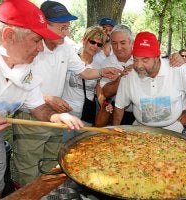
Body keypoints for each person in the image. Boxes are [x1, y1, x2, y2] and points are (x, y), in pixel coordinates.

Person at [12, 1, 121, 186]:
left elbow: (85, 72)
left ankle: (45, 192)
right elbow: (19, 84)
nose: (67, 32)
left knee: (50, 163)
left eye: (68, 27)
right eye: (62, 27)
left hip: (55, 117)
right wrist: (47, 98)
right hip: (31, 117)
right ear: (44, 24)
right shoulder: (29, 47)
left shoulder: (65, 49)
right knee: (28, 166)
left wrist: (103, 72)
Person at [0, 0, 84, 199]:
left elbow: (38, 108)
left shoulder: (26, 70)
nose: (41, 49)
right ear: (9, 35)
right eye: (36, 40)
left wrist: (57, 117)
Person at [113, 31, 186, 133]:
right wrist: (115, 133)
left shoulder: (179, 69)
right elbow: (119, 106)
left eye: (145, 60)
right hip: (140, 130)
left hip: (173, 129)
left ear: (157, 58)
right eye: (135, 60)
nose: (139, 66)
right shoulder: (128, 75)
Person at [61, 26, 107, 141]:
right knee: (64, 146)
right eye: (92, 42)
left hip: (86, 114)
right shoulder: (71, 60)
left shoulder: (99, 65)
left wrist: (103, 102)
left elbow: (98, 87)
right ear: (84, 40)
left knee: (82, 147)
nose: (95, 46)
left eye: (99, 44)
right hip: (67, 112)